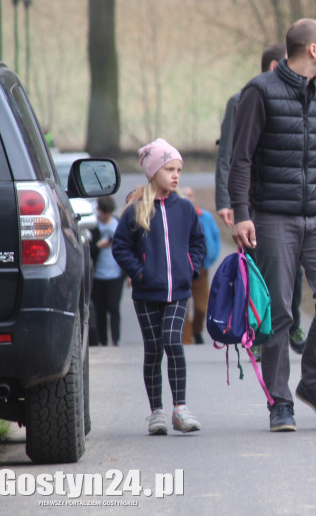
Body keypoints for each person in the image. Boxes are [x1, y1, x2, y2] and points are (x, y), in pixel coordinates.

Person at [229, 18, 316, 432]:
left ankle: (313, 382)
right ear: (311, 50)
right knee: (280, 311)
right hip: (273, 216)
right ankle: (279, 401)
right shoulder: (260, 92)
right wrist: (242, 212)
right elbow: (242, 159)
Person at [215, 43, 308, 356]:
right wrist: (226, 201)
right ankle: (255, 330)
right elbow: (229, 153)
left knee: (292, 268)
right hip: (252, 199)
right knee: (256, 267)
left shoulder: (301, 96)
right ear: (272, 67)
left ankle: (291, 323)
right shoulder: (240, 100)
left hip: (286, 199)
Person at [111, 138, 205, 435]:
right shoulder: (136, 209)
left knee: (173, 341)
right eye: (169, 169)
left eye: (178, 169)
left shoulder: (186, 209)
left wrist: (191, 269)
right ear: (153, 173)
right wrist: (139, 272)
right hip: (146, 292)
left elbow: (197, 242)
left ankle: (181, 409)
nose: (176, 175)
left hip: (178, 290)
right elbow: (120, 247)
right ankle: (157, 413)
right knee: (153, 350)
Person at [179, 186, 221, 345]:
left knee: (202, 307)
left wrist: (211, 258)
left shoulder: (205, 217)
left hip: (201, 268)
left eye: (190, 195)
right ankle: (187, 342)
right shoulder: (176, 216)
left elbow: (215, 239)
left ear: (193, 197)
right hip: (181, 270)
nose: (187, 198)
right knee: (183, 307)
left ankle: (197, 330)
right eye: (184, 195)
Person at [89, 195, 124, 346]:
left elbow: (128, 248)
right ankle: (103, 340)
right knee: (100, 309)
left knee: (113, 307)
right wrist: (98, 246)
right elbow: (88, 250)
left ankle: (115, 339)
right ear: (99, 211)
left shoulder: (119, 225)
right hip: (98, 274)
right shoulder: (93, 227)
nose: (106, 216)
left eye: (109, 213)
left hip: (115, 273)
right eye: (104, 212)